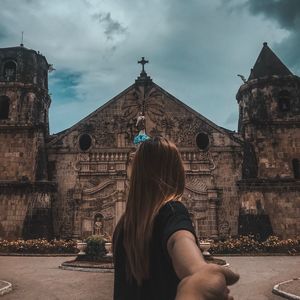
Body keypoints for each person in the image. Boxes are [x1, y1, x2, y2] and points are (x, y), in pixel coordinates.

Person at [113, 136, 239, 300]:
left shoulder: (122, 227)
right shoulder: (171, 210)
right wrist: (199, 271)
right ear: (175, 171)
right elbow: (180, 240)